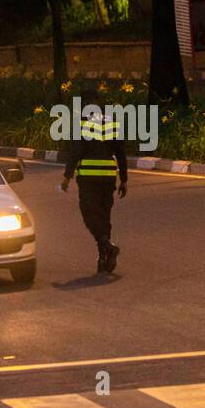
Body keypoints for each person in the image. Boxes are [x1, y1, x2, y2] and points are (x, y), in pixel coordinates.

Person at [60, 92, 127, 273]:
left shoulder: (82, 124)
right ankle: (104, 256)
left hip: (89, 179)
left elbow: (76, 152)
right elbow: (121, 152)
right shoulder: (112, 124)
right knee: (104, 217)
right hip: (108, 179)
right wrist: (124, 179)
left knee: (89, 214)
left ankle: (106, 246)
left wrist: (67, 176)